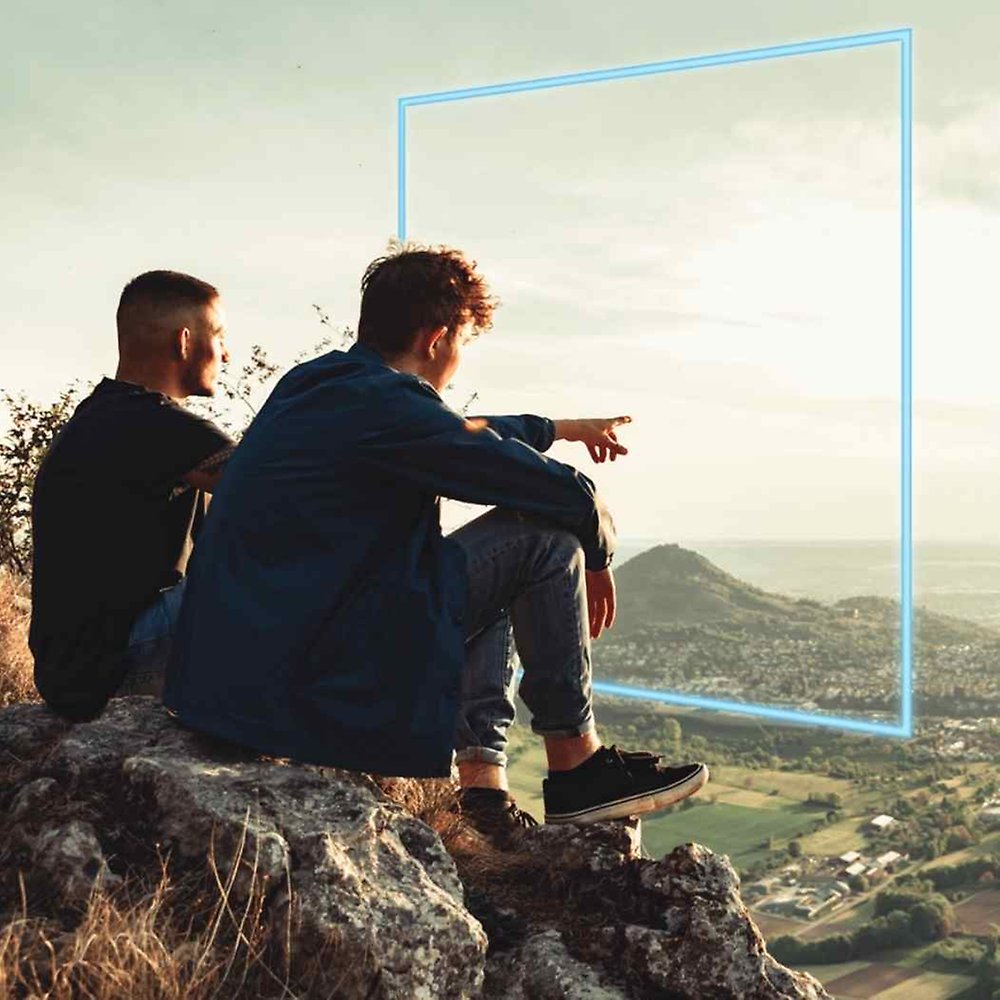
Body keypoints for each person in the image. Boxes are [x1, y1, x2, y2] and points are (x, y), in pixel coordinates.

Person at [164, 244, 708, 841]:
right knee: (543, 541)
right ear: (437, 337)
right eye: (464, 344)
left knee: (466, 567)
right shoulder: (386, 404)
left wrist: (556, 429)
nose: (459, 361)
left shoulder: (319, 383)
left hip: (238, 674)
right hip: (302, 678)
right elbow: (555, 491)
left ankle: (482, 790)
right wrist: (599, 554)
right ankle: (577, 769)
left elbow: (452, 432)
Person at [29, 270, 235, 721]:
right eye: (218, 335)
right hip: (117, 662)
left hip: (72, 671)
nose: (226, 353)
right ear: (184, 343)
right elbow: (281, 490)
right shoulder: (157, 424)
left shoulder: (104, 415)